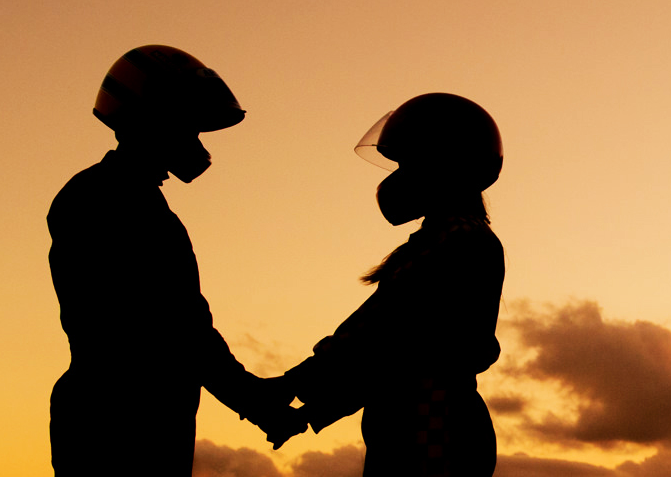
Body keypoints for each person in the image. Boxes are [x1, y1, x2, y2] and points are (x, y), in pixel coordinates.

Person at [47, 45, 303, 477]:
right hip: (124, 424)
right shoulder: (120, 202)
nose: (196, 141)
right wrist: (253, 399)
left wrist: (251, 395)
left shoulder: (114, 195)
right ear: (151, 119)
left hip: (125, 416)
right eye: (189, 125)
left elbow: (181, 328)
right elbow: (179, 328)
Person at [282, 93, 506, 476]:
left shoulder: (460, 239)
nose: (397, 178)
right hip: (412, 428)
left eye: (408, 163)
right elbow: (394, 355)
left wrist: (293, 383)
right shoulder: (440, 238)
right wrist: (312, 411)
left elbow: (379, 327)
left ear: (445, 165)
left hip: (435, 435)